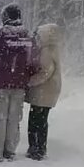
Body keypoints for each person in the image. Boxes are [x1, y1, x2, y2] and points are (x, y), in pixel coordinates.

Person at [0, 4, 34, 161]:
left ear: (5, 18)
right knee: (13, 119)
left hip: (0, 84)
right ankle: (10, 150)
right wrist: (24, 76)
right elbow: (34, 62)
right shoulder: (28, 39)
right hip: (19, 86)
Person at [25, 23, 62, 160]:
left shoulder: (46, 51)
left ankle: (36, 149)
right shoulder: (54, 49)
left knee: (35, 120)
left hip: (43, 91)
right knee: (42, 120)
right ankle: (40, 147)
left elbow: (45, 72)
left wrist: (29, 82)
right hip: (49, 91)